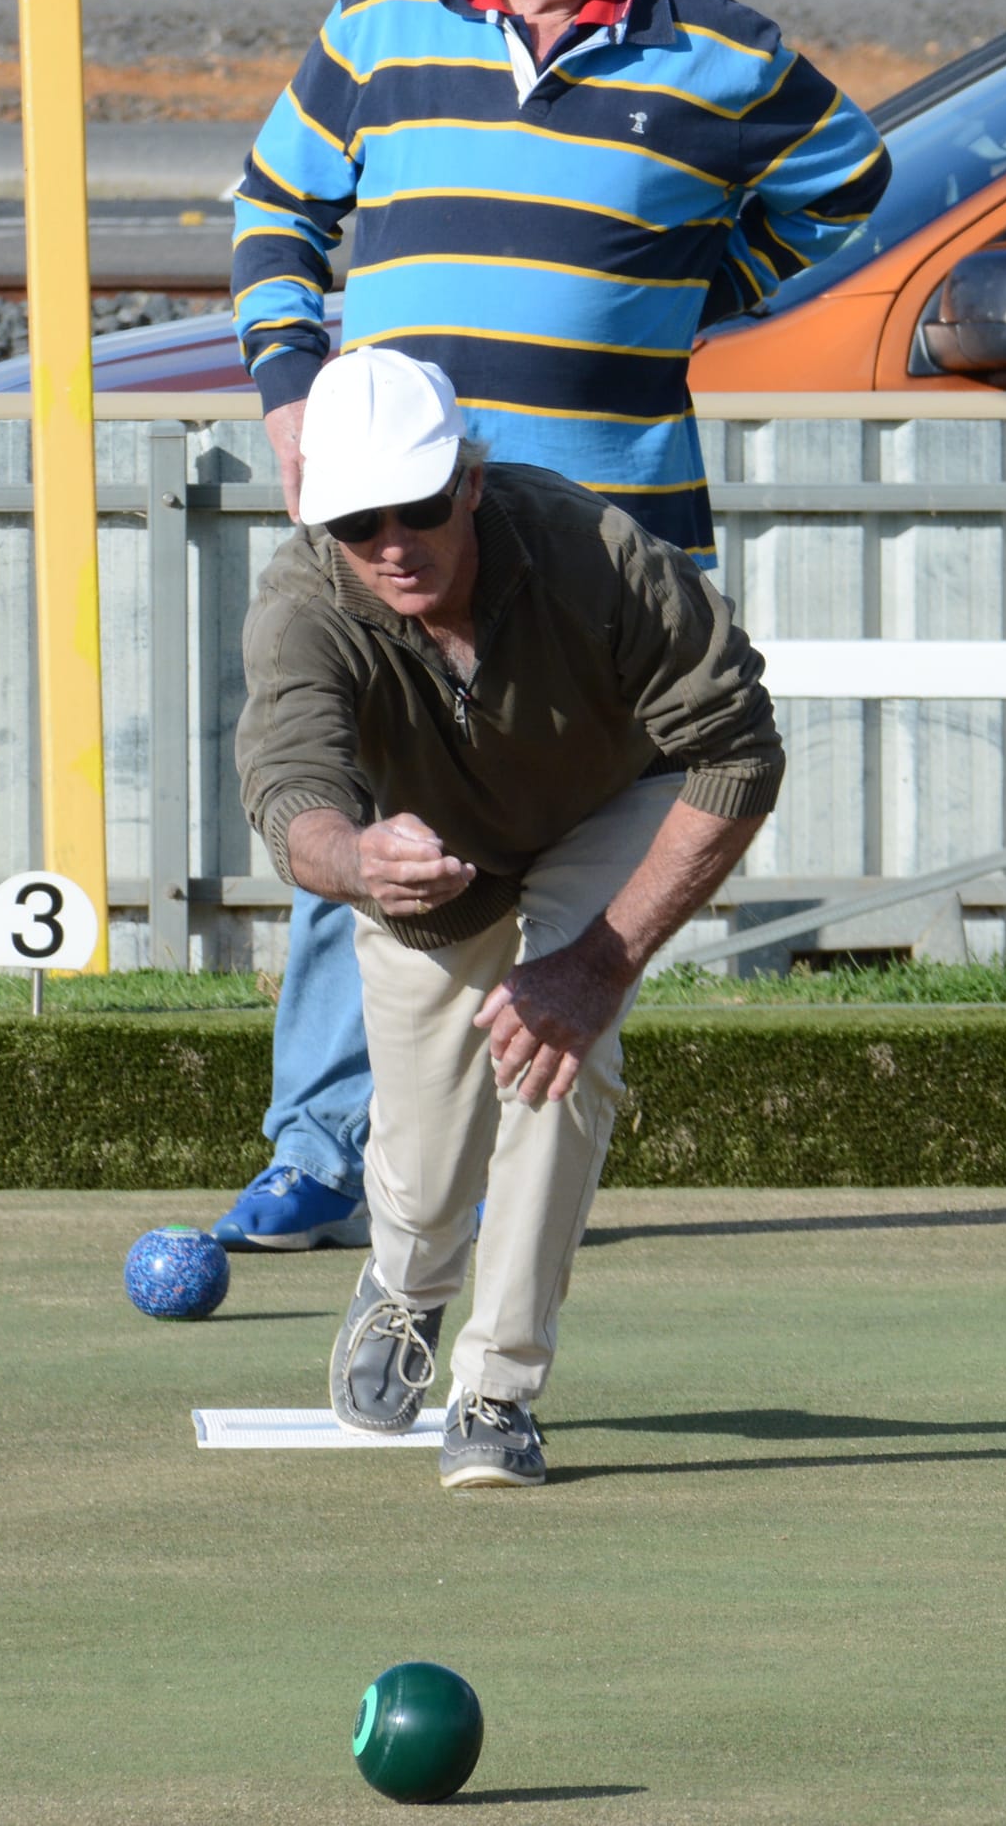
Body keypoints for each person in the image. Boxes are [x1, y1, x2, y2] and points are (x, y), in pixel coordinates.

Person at [217, 0, 888, 1251]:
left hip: (610, 545)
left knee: (594, 846)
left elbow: (850, 184)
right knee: (369, 829)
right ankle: (327, 1151)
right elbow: (275, 211)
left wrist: (697, 289)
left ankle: (514, 1176)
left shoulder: (726, 53)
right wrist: (287, 395)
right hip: (404, 522)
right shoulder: (378, 25)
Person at [235, 348, 782, 1487]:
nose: (393, 539)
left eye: (421, 505)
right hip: (419, 850)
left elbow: (736, 749)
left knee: (558, 1057)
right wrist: (356, 859)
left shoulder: (599, 554)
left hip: (607, 805)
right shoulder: (301, 602)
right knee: (427, 1170)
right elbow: (289, 792)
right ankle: (405, 1283)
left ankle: (496, 1386)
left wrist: (599, 961)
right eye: (356, 518)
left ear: (469, 483)